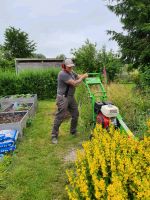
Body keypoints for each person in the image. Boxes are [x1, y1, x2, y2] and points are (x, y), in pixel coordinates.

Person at [51, 58, 88, 144]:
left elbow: (78, 76)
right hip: (63, 98)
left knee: (75, 114)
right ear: (64, 66)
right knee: (60, 116)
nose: (71, 68)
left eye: (72, 66)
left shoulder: (71, 72)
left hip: (71, 97)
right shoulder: (62, 74)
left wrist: (84, 75)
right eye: (69, 67)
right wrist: (83, 77)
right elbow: (75, 83)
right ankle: (54, 136)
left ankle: (73, 131)